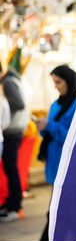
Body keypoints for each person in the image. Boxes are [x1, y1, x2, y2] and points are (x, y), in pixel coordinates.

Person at [35, 65, 76, 241]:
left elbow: (74, 135)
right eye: (54, 82)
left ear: (68, 81)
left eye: (58, 82)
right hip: (54, 162)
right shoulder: (56, 103)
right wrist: (43, 127)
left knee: (55, 209)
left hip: (67, 163)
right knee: (68, 208)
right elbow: (49, 130)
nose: (56, 86)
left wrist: (50, 126)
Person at [0, 63, 29, 222]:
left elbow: (19, 103)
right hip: (13, 130)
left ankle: (15, 206)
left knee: (11, 168)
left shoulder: (8, 82)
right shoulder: (11, 80)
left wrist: (3, 107)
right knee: (9, 167)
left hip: (12, 131)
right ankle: (11, 203)